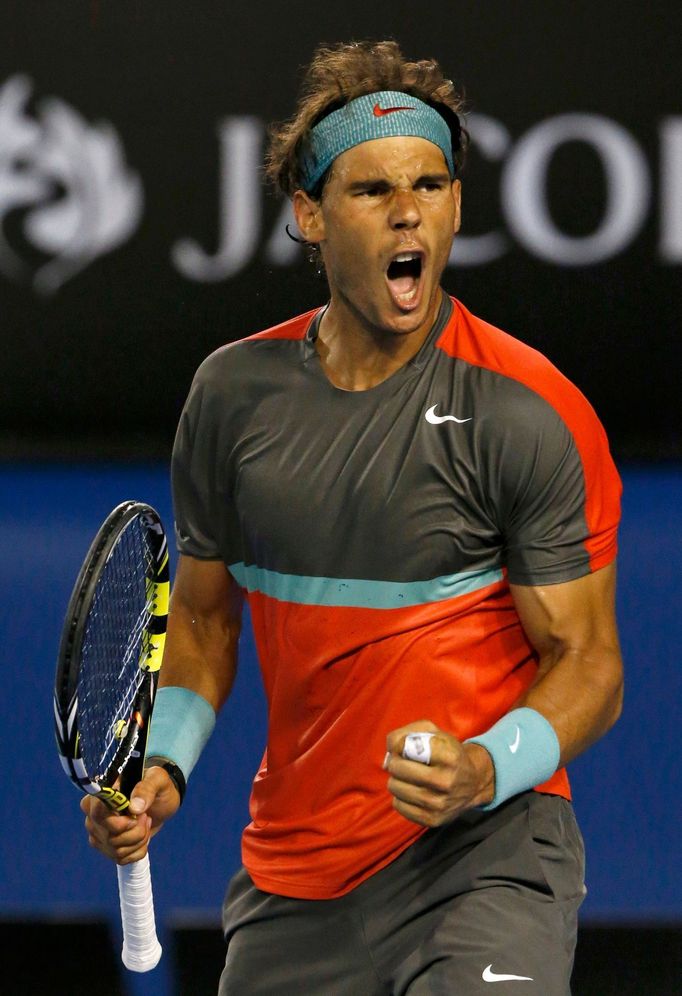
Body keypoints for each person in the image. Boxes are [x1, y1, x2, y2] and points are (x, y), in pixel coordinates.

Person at [82, 40, 624, 994]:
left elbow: (589, 664)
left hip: (486, 854)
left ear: (457, 204)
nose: (408, 208)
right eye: (371, 190)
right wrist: (163, 766)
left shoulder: (530, 412)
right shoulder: (232, 397)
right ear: (310, 218)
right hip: (296, 879)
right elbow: (205, 626)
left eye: (429, 183)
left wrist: (483, 770)